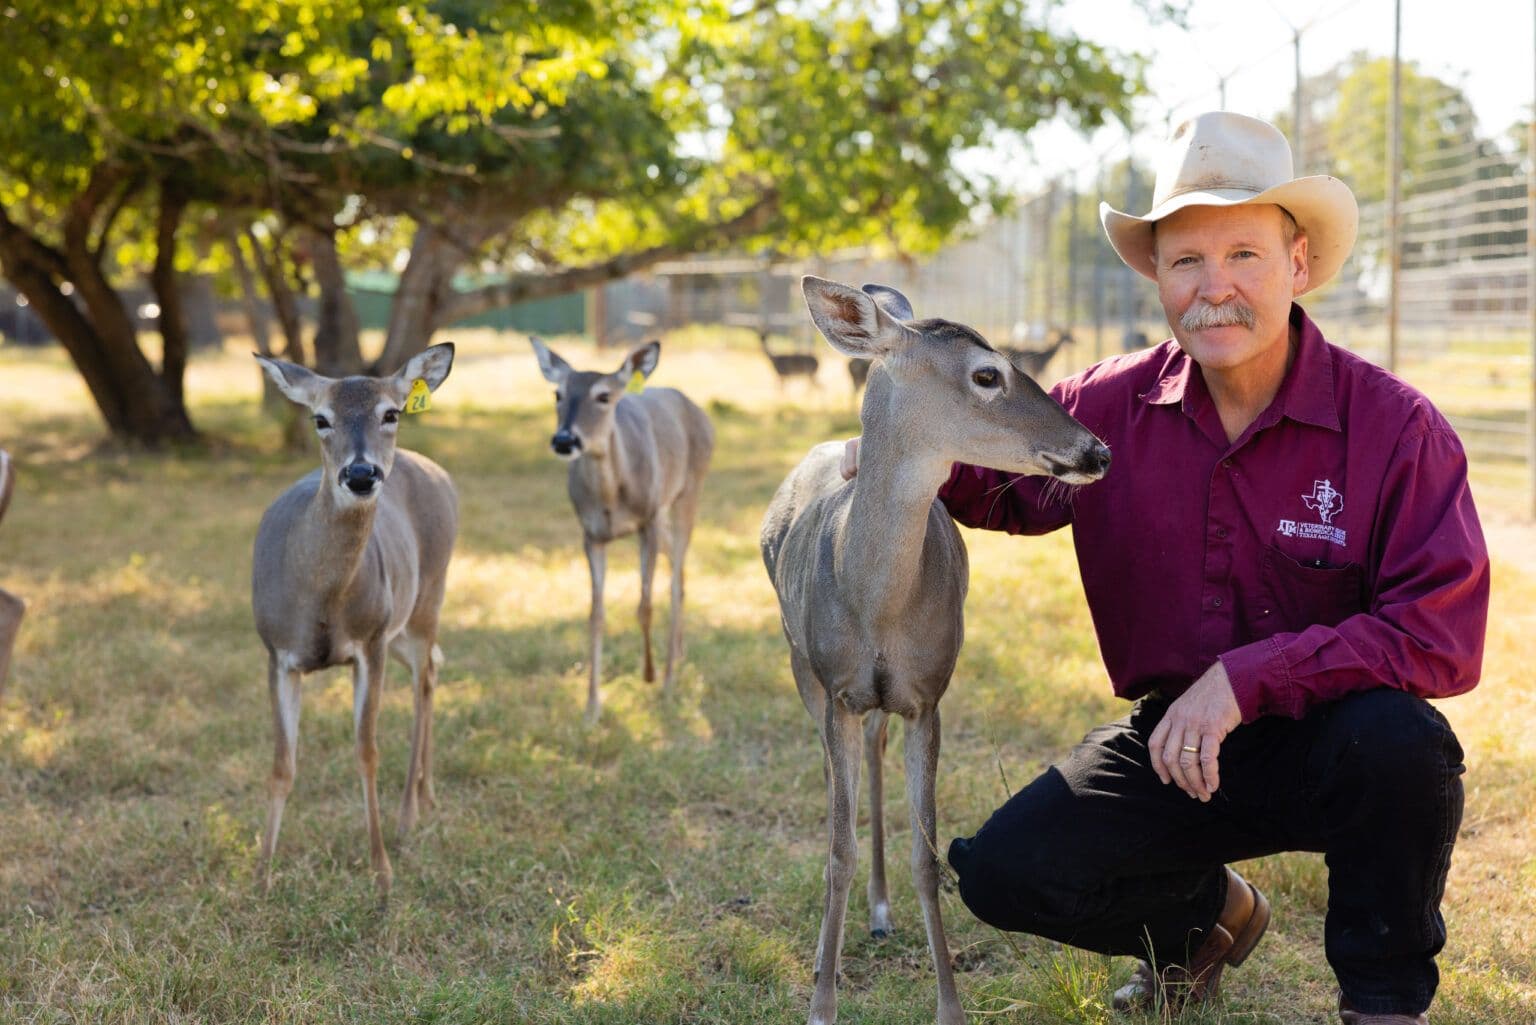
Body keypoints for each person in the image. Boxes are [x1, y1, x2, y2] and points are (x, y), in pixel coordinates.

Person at [838, 112, 1488, 1023]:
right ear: (1157, 276)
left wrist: (1244, 680)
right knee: (1002, 871)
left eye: (1243, 255)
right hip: (1176, 744)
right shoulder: (1105, 406)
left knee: (1405, 748)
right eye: (1186, 260)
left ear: (1297, 264)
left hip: (1338, 736)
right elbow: (998, 486)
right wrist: (896, 447)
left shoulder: (1394, 427)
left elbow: (1440, 635)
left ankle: (1383, 1001)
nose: (1212, 288)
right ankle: (1205, 921)